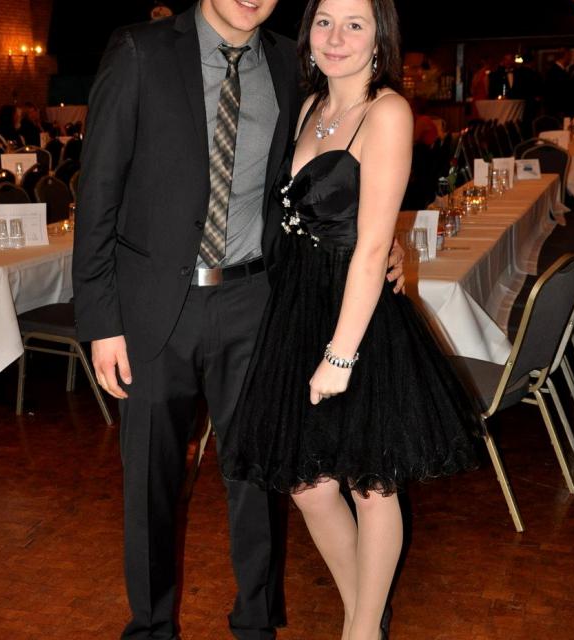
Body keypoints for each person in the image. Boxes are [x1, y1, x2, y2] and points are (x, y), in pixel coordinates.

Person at [72, 1, 404, 639]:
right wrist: (101, 321)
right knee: (151, 482)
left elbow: (331, 175)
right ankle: (152, 628)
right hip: (151, 312)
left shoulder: (289, 63)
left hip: (258, 302)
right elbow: (98, 192)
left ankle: (256, 623)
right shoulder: (139, 50)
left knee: (259, 478)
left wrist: (387, 241)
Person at [221, 1, 479, 639]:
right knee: (309, 486)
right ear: (307, 31)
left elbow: (371, 246)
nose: (336, 37)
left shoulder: (386, 111)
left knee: (371, 484)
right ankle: (363, 611)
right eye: (324, 21)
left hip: (356, 313)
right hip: (297, 305)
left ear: (379, 38)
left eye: (354, 24)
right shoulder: (309, 105)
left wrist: (340, 355)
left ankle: (361, 631)